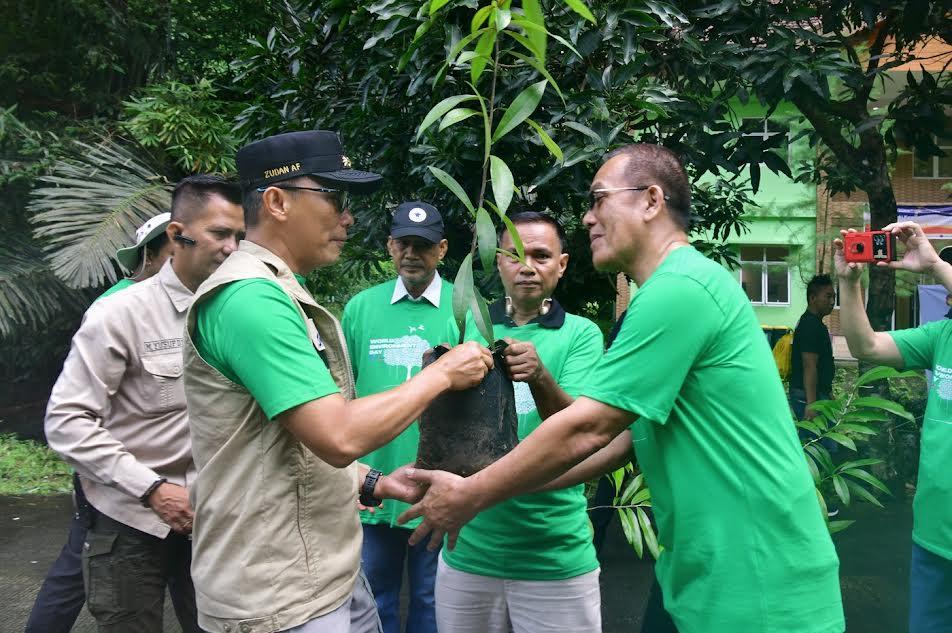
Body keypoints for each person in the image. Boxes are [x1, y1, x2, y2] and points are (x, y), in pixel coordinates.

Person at [399, 143, 845, 633]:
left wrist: (472, 493)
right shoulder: (665, 294)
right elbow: (616, 443)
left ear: (651, 201)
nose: (588, 217)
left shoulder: (681, 289)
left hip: (757, 577)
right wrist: (484, 488)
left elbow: (587, 428)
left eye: (598, 199)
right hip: (706, 570)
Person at [182, 130, 492, 633]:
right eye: (335, 198)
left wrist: (375, 482)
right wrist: (441, 374)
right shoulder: (250, 300)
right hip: (278, 590)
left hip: (324, 571)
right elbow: (337, 435)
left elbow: (289, 445)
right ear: (278, 202)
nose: (348, 218)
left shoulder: (281, 292)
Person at [44, 175, 245, 633]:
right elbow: (66, 421)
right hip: (130, 519)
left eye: (239, 236)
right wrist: (152, 489)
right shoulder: (121, 313)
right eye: (219, 233)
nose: (231, 248)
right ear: (177, 234)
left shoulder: (239, 312)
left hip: (215, 519)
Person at [435, 212, 605, 633]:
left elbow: (579, 434)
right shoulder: (466, 325)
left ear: (561, 265)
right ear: (498, 262)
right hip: (469, 550)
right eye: (514, 255)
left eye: (541, 256)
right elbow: (442, 426)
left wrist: (541, 376)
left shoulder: (581, 335)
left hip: (554, 555)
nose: (527, 266)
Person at [25, 210, 177, 633]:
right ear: (149, 256)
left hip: (154, 476)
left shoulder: (187, 305)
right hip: (114, 469)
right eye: (173, 253)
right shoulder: (117, 306)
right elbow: (75, 411)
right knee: (81, 563)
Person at [833, 221, 952, 633]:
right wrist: (850, 284)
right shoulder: (941, 336)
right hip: (934, 536)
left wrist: (933, 264)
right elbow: (865, 345)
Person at [342, 201, 452, 633]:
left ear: (441, 249)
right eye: (403, 243)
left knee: (431, 598)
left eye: (422, 245)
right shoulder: (361, 308)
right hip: (374, 479)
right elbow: (343, 393)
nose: (411, 253)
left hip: (437, 481)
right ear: (390, 246)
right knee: (374, 595)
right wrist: (352, 472)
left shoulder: (463, 308)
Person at [789, 274, 836, 420]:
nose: (832, 302)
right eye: (828, 296)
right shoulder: (810, 325)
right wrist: (811, 404)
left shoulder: (815, 323)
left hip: (816, 394)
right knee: (816, 434)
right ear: (813, 298)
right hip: (808, 396)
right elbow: (809, 365)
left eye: (834, 297)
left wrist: (827, 391)